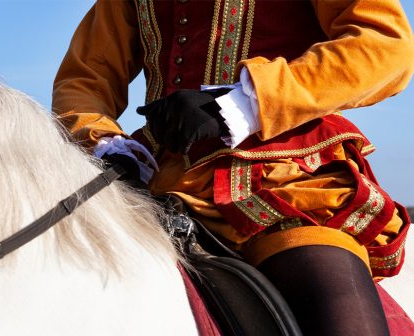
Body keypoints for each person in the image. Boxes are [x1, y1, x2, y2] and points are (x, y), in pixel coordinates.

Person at [52, 1, 414, 334]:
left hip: (288, 185)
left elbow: (386, 46)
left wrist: (243, 101)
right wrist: (102, 141)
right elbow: (85, 78)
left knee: (337, 312)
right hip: (157, 185)